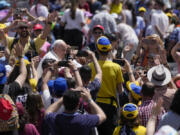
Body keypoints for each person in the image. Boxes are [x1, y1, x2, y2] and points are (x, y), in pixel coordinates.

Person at [89, 36, 124, 135]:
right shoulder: (116, 67)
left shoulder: (90, 66)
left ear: (97, 49)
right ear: (110, 49)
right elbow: (120, 91)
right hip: (110, 107)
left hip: (94, 106)